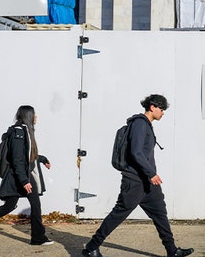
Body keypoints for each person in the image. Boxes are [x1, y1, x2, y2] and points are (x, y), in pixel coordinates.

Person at [82, 95, 193, 257]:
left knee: (160, 213)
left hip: (148, 183)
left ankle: (172, 250)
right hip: (135, 181)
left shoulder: (146, 125)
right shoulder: (140, 124)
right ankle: (91, 247)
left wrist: (150, 176)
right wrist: (152, 173)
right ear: (153, 107)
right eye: (161, 109)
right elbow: (136, 153)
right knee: (119, 214)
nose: (163, 113)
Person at [0, 105, 53, 246]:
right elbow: (17, 159)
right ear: (28, 116)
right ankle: (38, 237)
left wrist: (42, 159)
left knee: (18, 205)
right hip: (18, 176)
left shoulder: (24, 131)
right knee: (23, 205)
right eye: (34, 114)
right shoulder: (18, 132)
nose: (36, 117)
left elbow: (26, 155)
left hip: (21, 174)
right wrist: (24, 180)